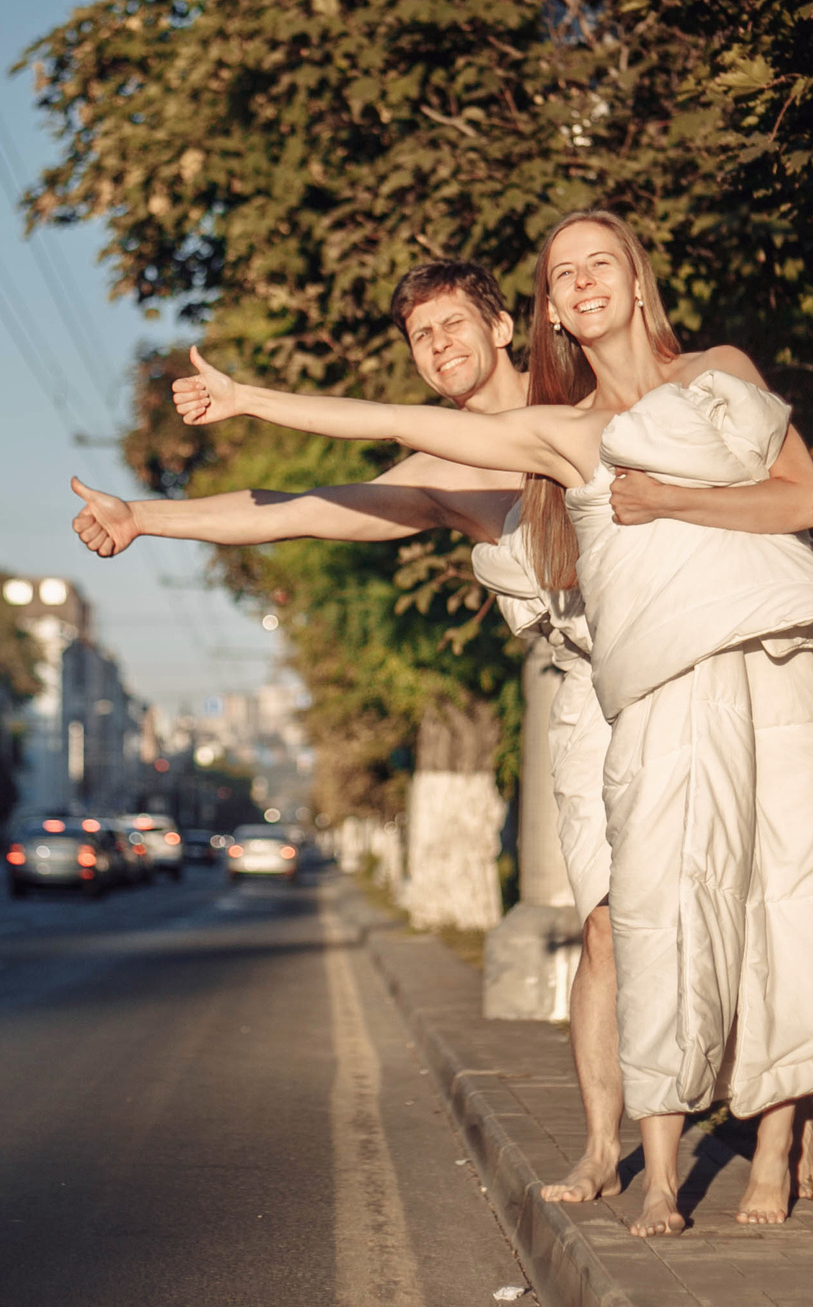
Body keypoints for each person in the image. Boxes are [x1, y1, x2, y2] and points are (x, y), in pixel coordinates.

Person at [172, 209, 813, 1234]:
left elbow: (796, 499)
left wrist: (667, 502)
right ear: (548, 305)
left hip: (761, 656)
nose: (586, 282)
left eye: (603, 263)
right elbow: (357, 457)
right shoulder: (542, 438)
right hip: (629, 683)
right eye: (566, 273)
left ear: (630, 284)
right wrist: (209, 442)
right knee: (639, 913)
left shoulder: (709, 374)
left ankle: (778, 1135)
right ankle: (621, 1152)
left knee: (783, 889)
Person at [68, 260, 632, 1204]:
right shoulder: (437, 471)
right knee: (606, 921)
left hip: (673, 668)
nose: (439, 346)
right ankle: (605, 1148)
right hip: (588, 702)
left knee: (712, 897)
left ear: (502, 326)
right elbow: (295, 512)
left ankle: (778, 1120)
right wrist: (144, 518)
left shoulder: (593, 408)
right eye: (421, 336)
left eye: (454, 323)